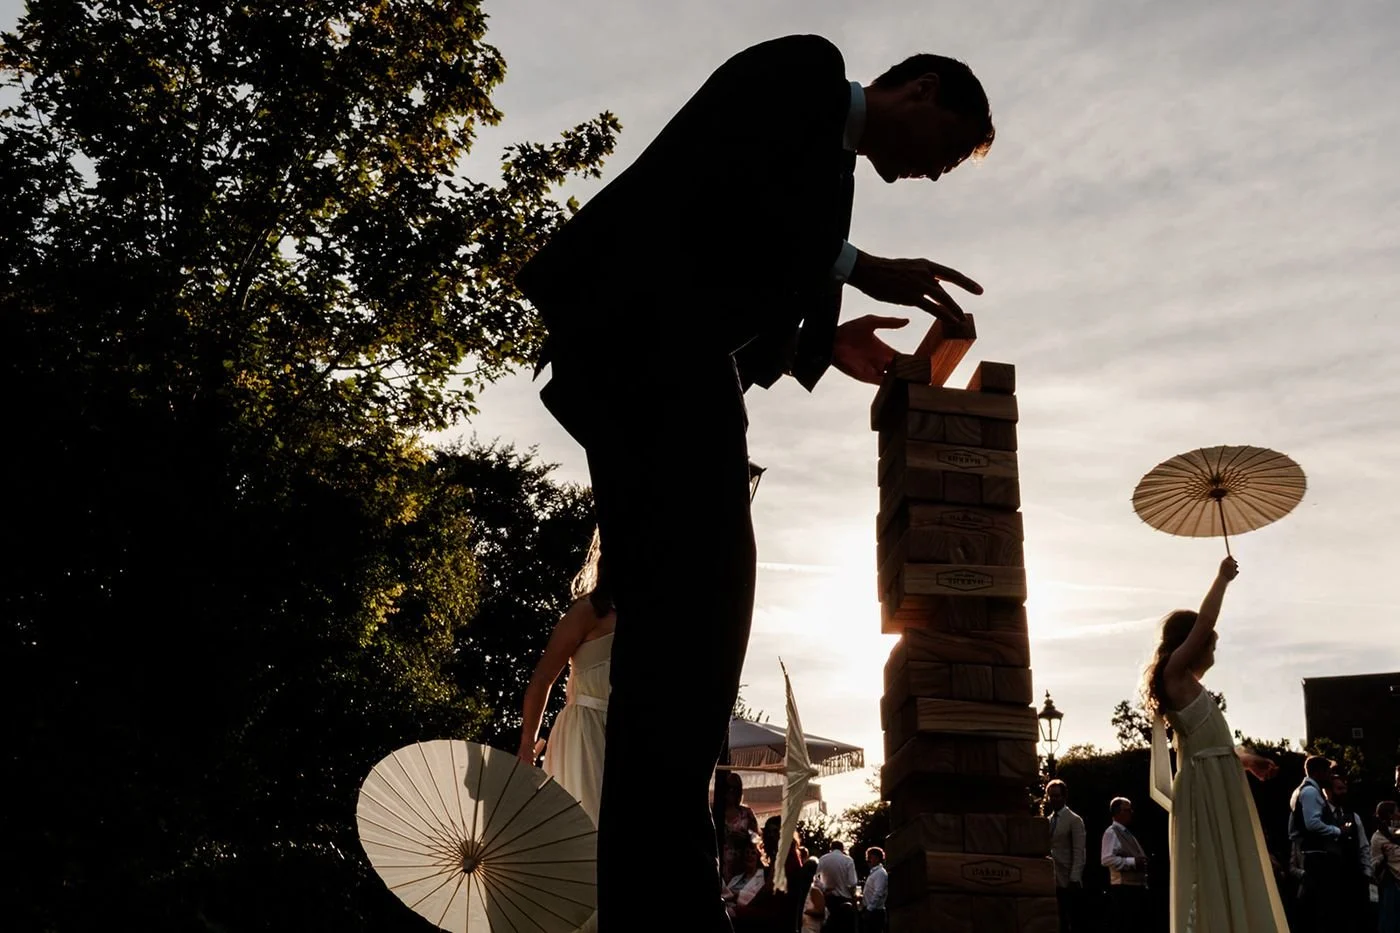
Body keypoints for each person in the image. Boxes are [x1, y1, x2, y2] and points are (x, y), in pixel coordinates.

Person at [513, 34, 995, 930]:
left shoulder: (830, 182)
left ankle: (650, 901)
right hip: (641, 349)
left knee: (676, 633)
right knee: (700, 609)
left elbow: (750, 261)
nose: (927, 177)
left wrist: (827, 340)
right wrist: (858, 269)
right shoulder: (807, 71)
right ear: (921, 89)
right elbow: (732, 173)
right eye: (939, 154)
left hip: (666, 372)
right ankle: (665, 899)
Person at [1144, 556, 1288, 932]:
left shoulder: (1193, 688)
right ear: (1192, 642)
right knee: (1211, 867)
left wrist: (1250, 760)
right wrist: (1222, 579)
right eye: (1210, 643)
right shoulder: (1173, 674)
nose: (1212, 650)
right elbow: (1206, 620)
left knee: (1231, 865)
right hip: (1205, 790)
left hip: (1220, 783)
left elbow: (1213, 744)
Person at [517, 528, 615, 819]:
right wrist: (526, 744)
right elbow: (543, 678)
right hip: (585, 732)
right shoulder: (587, 612)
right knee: (588, 822)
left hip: (627, 733)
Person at [1289, 755, 1347, 933]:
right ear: (1318, 772)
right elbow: (1312, 823)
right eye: (1328, 772)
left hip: (1313, 854)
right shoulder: (1311, 792)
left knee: (1316, 905)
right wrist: (1338, 831)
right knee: (1321, 907)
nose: (1330, 776)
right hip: (1318, 856)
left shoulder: (1302, 791)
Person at [1044, 779, 1087, 932]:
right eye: (1051, 796)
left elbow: (1079, 850)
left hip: (1069, 880)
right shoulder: (1047, 821)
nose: (1054, 799)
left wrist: (1074, 878)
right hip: (1052, 879)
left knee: (1072, 921)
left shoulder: (1074, 820)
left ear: (1064, 796)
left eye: (1057, 796)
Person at [1100, 797, 1149, 931]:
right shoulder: (1112, 832)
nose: (1131, 813)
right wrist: (1132, 862)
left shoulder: (1126, 833)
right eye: (1127, 810)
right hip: (1124, 889)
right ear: (1118, 812)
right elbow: (1107, 859)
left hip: (1134, 889)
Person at [1371, 801, 1400, 933]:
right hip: (1392, 886)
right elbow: (1373, 865)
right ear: (1390, 815)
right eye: (1397, 811)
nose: (1399, 814)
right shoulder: (1378, 838)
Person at [861, 847, 888, 933]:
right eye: (867, 857)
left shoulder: (880, 873)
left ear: (877, 858)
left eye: (870, 857)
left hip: (875, 912)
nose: (868, 860)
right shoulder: (874, 873)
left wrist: (869, 909)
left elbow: (878, 892)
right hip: (871, 910)